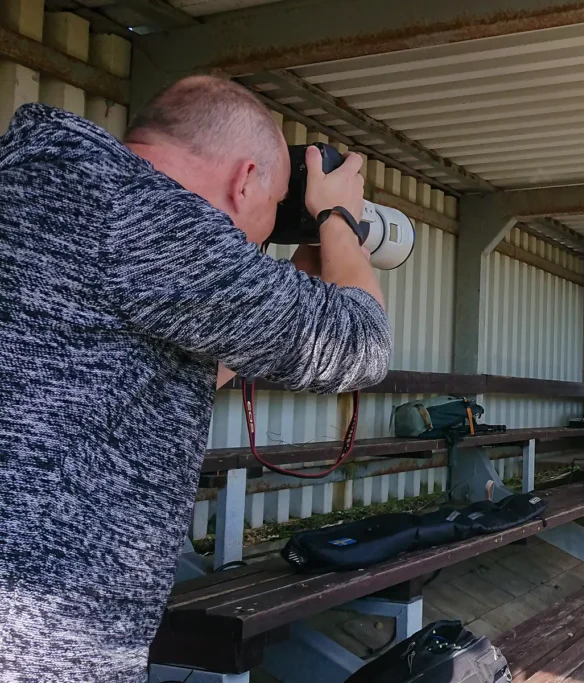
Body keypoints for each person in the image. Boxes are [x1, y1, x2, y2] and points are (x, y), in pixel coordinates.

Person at [0, 76, 392, 682]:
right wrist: (339, 215)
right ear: (245, 180)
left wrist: (291, 288)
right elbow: (361, 345)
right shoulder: (146, 217)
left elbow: (143, 369)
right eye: (276, 203)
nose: (261, 234)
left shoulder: (53, 189)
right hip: (38, 636)